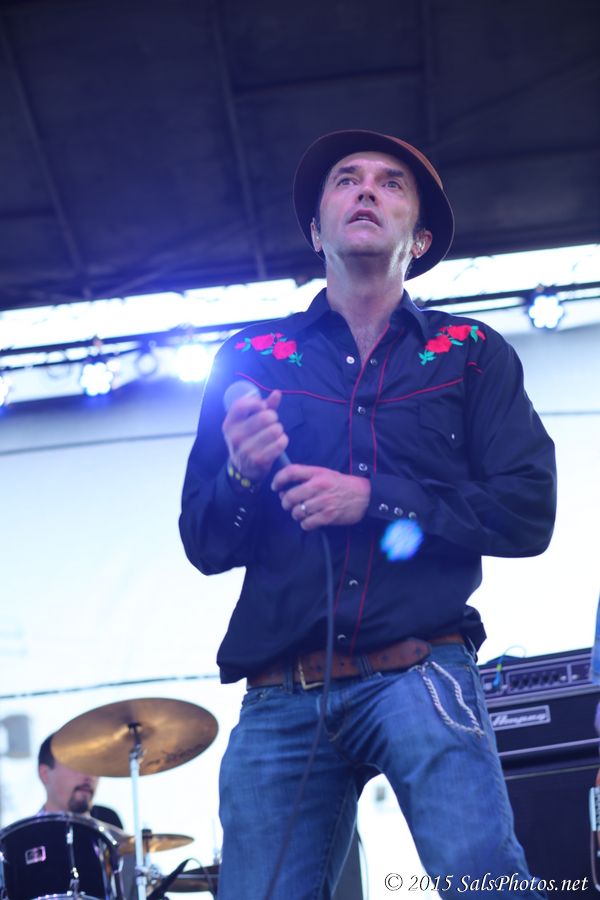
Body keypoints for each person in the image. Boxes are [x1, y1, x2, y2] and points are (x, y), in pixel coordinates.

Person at [179, 129, 557, 898]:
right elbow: (205, 544)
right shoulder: (249, 357)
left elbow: (529, 510)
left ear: (420, 240)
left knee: (486, 885)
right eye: (346, 179)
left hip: (422, 668)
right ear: (315, 230)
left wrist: (374, 500)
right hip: (281, 688)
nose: (365, 190)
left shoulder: (471, 352)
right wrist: (242, 470)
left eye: (391, 183)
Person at [37, 733, 123, 828]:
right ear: (45, 774)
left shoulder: (111, 824)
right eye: (76, 766)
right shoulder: (26, 835)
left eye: (94, 767)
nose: (90, 776)